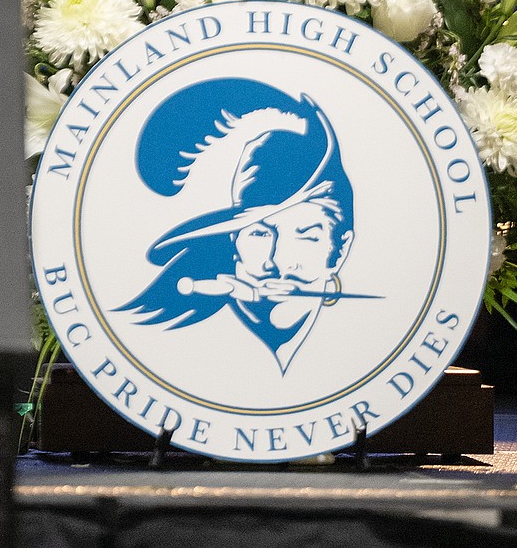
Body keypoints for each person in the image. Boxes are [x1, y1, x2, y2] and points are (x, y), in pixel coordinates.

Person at [120, 87, 358, 373]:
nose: (277, 262)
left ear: (340, 251)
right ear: (234, 241)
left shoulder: (351, 353)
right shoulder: (177, 356)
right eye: (259, 233)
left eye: (305, 235)